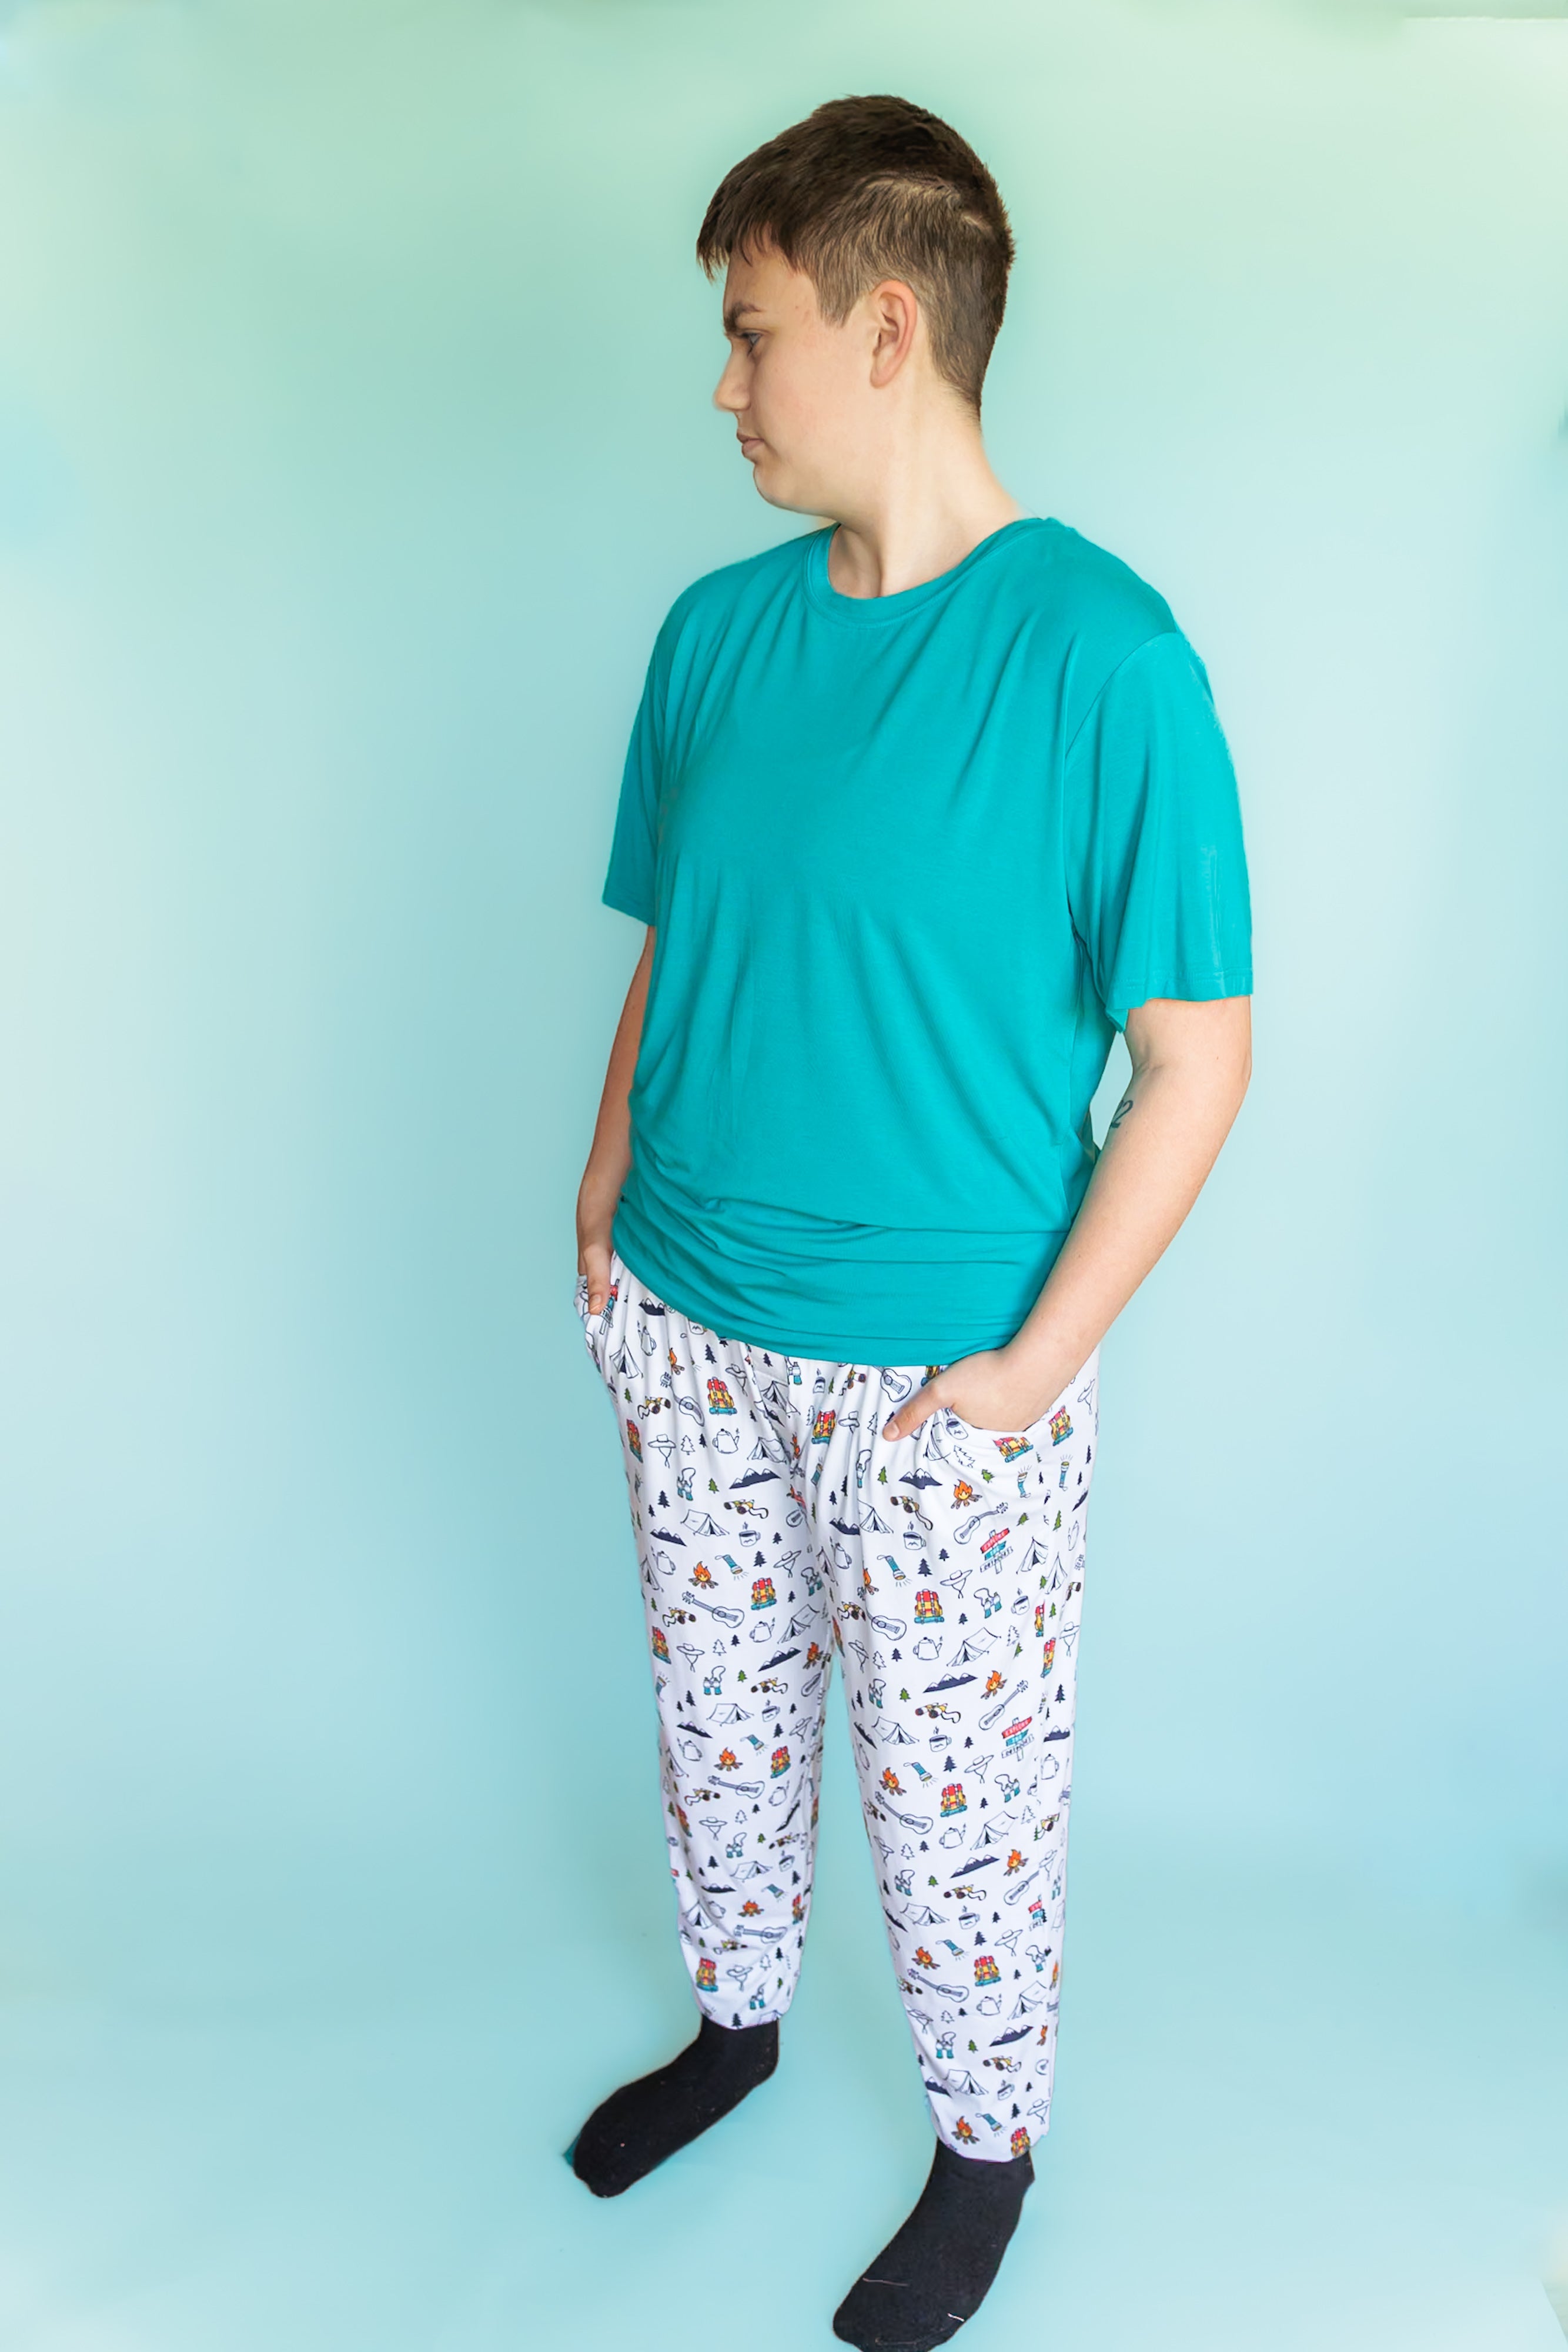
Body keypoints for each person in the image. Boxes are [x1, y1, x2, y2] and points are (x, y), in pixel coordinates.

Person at [566, 93, 1253, 2352]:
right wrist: (603, 1188)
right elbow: (674, 941)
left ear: (884, 330)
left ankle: (983, 2152)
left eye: (750, 331)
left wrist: (1031, 1373)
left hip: (937, 1380)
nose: (722, 385)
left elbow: (1194, 1060)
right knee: (720, 1726)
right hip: (685, 1319)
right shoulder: (711, 635)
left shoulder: (1104, 660)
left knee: (961, 1807)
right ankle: (737, 2027)